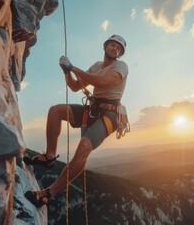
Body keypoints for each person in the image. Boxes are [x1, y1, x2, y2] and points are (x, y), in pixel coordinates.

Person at [23, 35, 128, 207]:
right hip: (93, 109)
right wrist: (66, 72)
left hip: (109, 115)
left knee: (84, 147)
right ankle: (49, 156)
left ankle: (50, 193)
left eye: (118, 48)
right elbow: (74, 86)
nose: (115, 48)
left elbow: (102, 81)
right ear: (105, 46)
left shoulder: (121, 66)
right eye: (112, 44)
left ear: (120, 54)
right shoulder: (96, 66)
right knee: (56, 111)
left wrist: (72, 67)